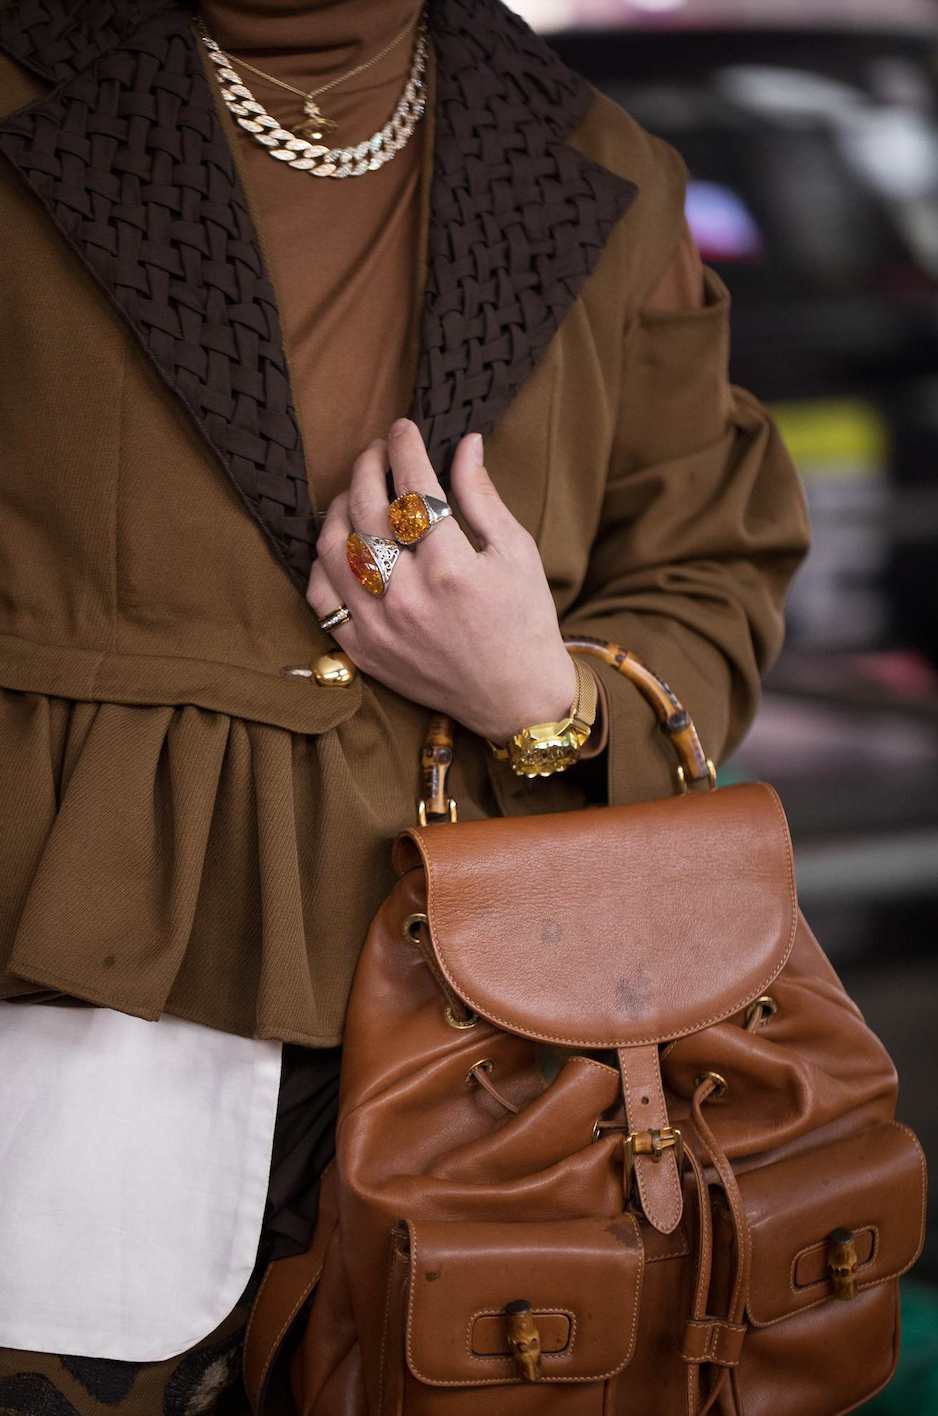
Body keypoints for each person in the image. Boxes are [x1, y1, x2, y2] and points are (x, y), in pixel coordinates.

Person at [0, 0, 810, 1410]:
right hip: (61, 994)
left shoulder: (594, 154)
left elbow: (710, 562)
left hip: (501, 1034)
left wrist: (545, 695)